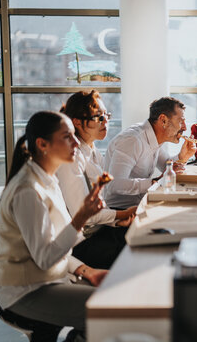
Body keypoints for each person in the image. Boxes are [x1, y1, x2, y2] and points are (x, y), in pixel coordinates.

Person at [0, 111, 107, 338]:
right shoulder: (28, 190)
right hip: (24, 292)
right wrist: (80, 218)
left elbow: (52, 244)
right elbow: (45, 257)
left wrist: (85, 270)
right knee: (106, 311)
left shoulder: (46, 179)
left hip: (49, 279)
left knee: (114, 296)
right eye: (67, 137)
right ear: (42, 144)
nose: (76, 142)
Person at [57, 90, 137, 269]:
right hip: (81, 243)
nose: (105, 121)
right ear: (77, 122)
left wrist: (118, 218)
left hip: (97, 231)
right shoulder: (72, 157)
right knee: (138, 249)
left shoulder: (92, 151)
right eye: (98, 117)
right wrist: (121, 215)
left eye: (106, 115)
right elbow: (83, 215)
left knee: (144, 233)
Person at [103, 97, 196, 210]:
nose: (185, 127)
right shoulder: (133, 140)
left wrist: (183, 157)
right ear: (163, 120)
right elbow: (114, 185)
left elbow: (166, 167)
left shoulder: (154, 137)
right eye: (181, 121)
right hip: (119, 212)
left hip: (141, 205)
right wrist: (156, 182)